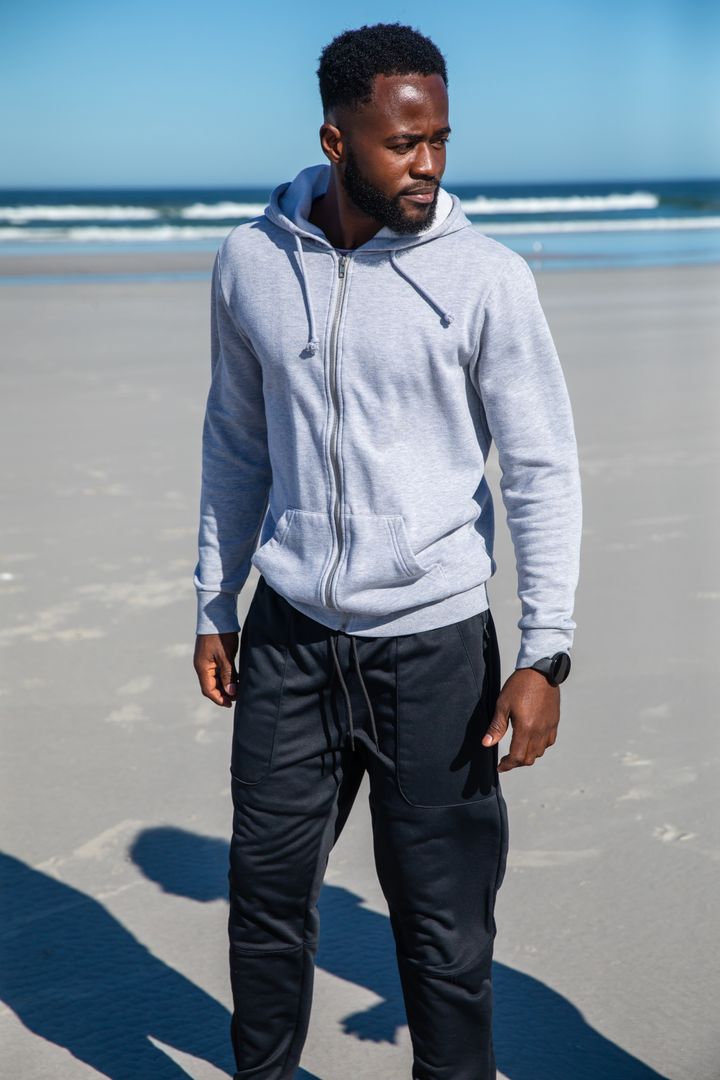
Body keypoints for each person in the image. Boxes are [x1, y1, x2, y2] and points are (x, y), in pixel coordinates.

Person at [192, 22, 581, 1080]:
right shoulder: (250, 260)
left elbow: (542, 469)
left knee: (445, 941)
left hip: (437, 648)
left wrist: (545, 654)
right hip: (290, 640)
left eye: (441, 141)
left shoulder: (487, 277)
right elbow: (235, 437)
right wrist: (214, 600)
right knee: (265, 908)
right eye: (404, 144)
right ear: (334, 139)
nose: (429, 165)